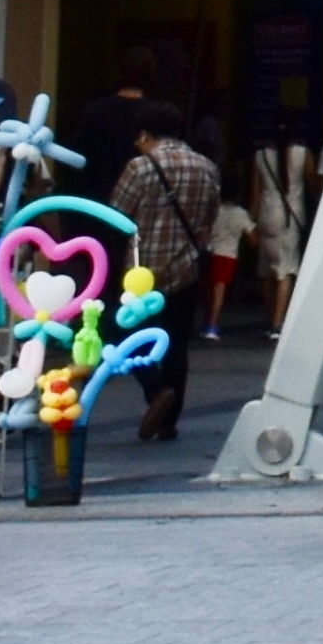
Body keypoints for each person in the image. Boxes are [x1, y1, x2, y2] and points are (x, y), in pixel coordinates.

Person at [112, 96, 229, 441]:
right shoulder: (206, 167)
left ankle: (155, 389)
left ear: (146, 134)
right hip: (187, 270)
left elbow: (117, 213)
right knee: (177, 343)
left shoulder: (139, 167)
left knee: (129, 335)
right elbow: (209, 219)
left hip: (141, 272)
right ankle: (170, 419)